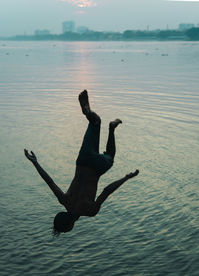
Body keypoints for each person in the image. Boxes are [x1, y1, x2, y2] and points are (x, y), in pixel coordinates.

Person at [24, 90, 139, 235]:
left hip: (97, 169)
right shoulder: (64, 200)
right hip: (83, 161)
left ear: (70, 225)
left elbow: (107, 191)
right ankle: (88, 112)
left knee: (110, 155)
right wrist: (35, 162)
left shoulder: (90, 211)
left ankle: (111, 129)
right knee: (95, 121)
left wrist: (126, 178)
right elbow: (49, 181)